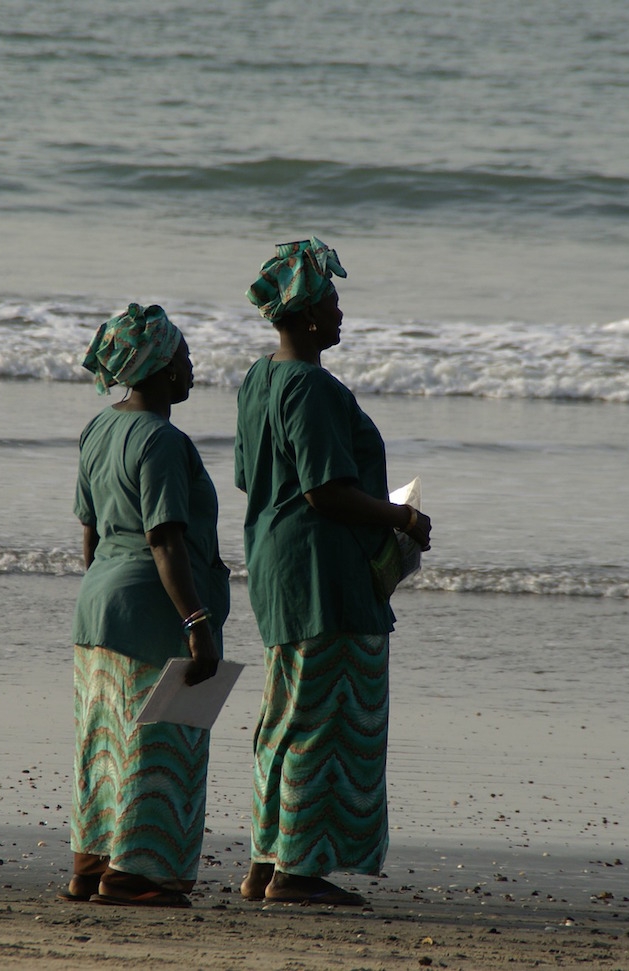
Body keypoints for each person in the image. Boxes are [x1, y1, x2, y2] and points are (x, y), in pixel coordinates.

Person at [233, 239, 432, 906]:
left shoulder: (260, 379)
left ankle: (268, 860)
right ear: (309, 316)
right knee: (326, 716)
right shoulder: (312, 387)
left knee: (288, 713)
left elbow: (249, 476)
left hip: (277, 562)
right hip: (323, 572)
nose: (343, 314)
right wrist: (400, 519)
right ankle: (297, 870)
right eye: (334, 303)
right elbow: (325, 490)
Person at [65, 303, 230, 908]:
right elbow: (165, 538)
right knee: (158, 744)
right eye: (183, 357)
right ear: (159, 368)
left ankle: (92, 865)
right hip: (153, 608)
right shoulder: (162, 440)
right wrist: (196, 620)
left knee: (103, 742)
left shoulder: (99, 428)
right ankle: (137, 875)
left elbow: (90, 532)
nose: (191, 368)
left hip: (99, 606)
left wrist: (112, 590)